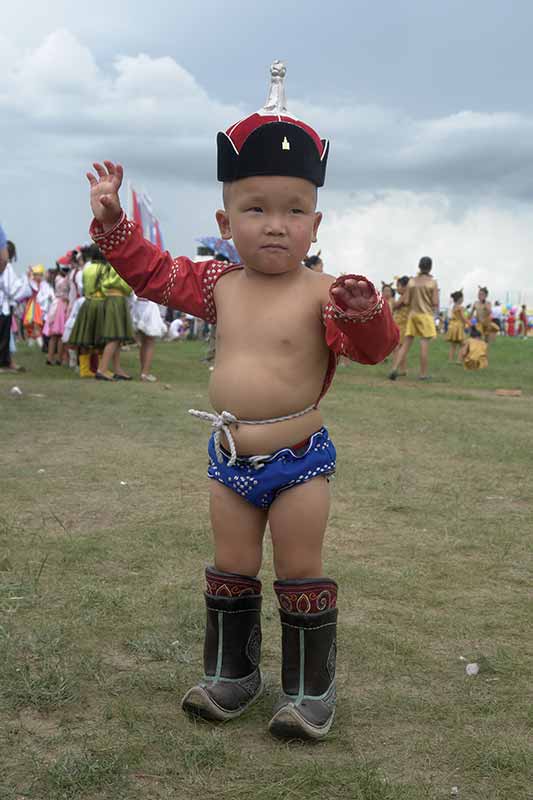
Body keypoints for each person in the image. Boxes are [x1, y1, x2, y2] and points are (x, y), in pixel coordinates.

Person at [86, 61, 398, 741]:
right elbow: (149, 272)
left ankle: (308, 690)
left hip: (298, 462)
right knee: (230, 566)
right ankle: (233, 674)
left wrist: (365, 309)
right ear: (226, 220)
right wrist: (113, 222)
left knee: (298, 567)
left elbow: (374, 349)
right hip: (228, 459)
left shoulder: (323, 293)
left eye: (293, 211)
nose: (275, 225)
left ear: (316, 223)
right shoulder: (214, 283)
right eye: (255, 209)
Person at [389, 257, 439, 381]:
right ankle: (422, 374)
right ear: (430, 267)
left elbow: (406, 300)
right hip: (426, 316)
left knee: (406, 344)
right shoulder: (432, 282)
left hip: (413, 315)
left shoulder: (412, 282)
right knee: (424, 344)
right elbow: (435, 302)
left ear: (419, 266)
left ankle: (394, 368)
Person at [96, 262, 135, 381]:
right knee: (114, 337)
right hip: (117, 299)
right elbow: (126, 285)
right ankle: (102, 369)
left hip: (111, 298)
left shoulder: (106, 264)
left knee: (118, 337)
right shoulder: (120, 262)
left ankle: (117, 369)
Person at [130, 293, 167, 381]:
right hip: (149, 304)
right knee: (150, 342)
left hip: (139, 304)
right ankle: (145, 373)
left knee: (144, 342)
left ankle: (143, 371)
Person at [43, 258, 70, 365]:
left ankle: (56, 357)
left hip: (58, 305)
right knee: (57, 335)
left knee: (58, 335)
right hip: (61, 305)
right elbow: (64, 287)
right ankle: (54, 357)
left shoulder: (57, 277)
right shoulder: (59, 278)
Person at [20, 265, 54, 347]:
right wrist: (29, 273)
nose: (36, 276)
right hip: (33, 305)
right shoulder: (32, 283)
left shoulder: (45, 284)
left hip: (41, 306)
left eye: (38, 274)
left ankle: (37, 342)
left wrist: (50, 298)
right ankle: (37, 343)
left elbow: (50, 294)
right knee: (33, 324)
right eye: (35, 274)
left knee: (38, 325)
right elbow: (28, 285)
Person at [391, 276, 410, 375]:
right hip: (401, 323)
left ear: (404, 286)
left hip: (402, 324)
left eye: (398, 286)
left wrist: (393, 300)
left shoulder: (405, 296)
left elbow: (395, 305)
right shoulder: (407, 295)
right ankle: (403, 369)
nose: (397, 288)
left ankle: (396, 368)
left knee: (396, 347)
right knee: (401, 347)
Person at [445, 290, 467, 363]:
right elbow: (463, 318)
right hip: (458, 326)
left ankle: (450, 360)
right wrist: (470, 324)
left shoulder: (453, 306)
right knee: (463, 344)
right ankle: (459, 360)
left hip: (452, 326)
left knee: (453, 345)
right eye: (462, 298)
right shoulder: (460, 307)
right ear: (460, 299)